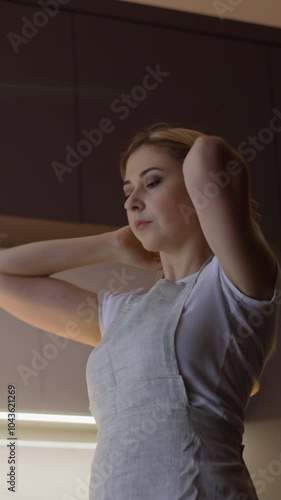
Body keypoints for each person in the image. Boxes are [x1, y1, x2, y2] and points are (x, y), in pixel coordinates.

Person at [0, 122, 280, 500]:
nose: (132, 202)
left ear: (200, 192)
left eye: (152, 182)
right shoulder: (123, 313)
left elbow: (209, 153)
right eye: (128, 191)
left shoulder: (237, 283)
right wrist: (111, 244)